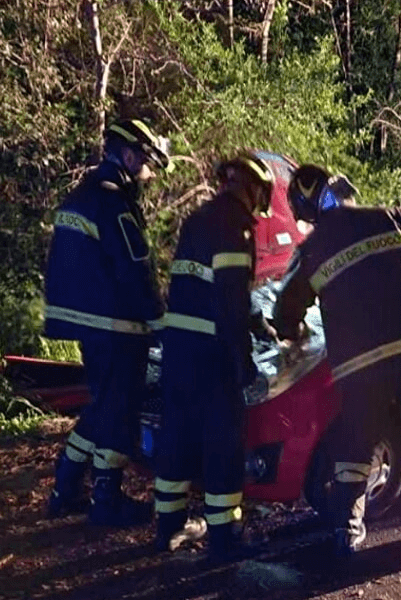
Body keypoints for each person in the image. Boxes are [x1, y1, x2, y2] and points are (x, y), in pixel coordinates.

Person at [272, 165, 401, 559]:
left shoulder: (312, 250)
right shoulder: (391, 217)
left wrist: (291, 333)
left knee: (356, 448)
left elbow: (286, 310)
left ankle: (347, 530)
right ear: (343, 189)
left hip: (361, 367)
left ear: (307, 212)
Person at [43, 118, 172, 527]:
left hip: (86, 325)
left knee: (100, 407)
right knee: (119, 412)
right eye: (145, 163)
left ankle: (65, 487)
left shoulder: (81, 196)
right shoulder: (115, 202)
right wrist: (160, 320)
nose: (147, 174)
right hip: (117, 326)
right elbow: (135, 269)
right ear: (129, 155)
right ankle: (107, 500)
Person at [153, 151, 276, 564]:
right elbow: (230, 300)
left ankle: (167, 526)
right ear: (256, 189)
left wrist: (259, 322)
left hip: (178, 351)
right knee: (223, 444)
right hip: (211, 355)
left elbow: (212, 287)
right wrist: (244, 361)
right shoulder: (237, 228)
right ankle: (225, 537)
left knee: (177, 438)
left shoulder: (197, 220)